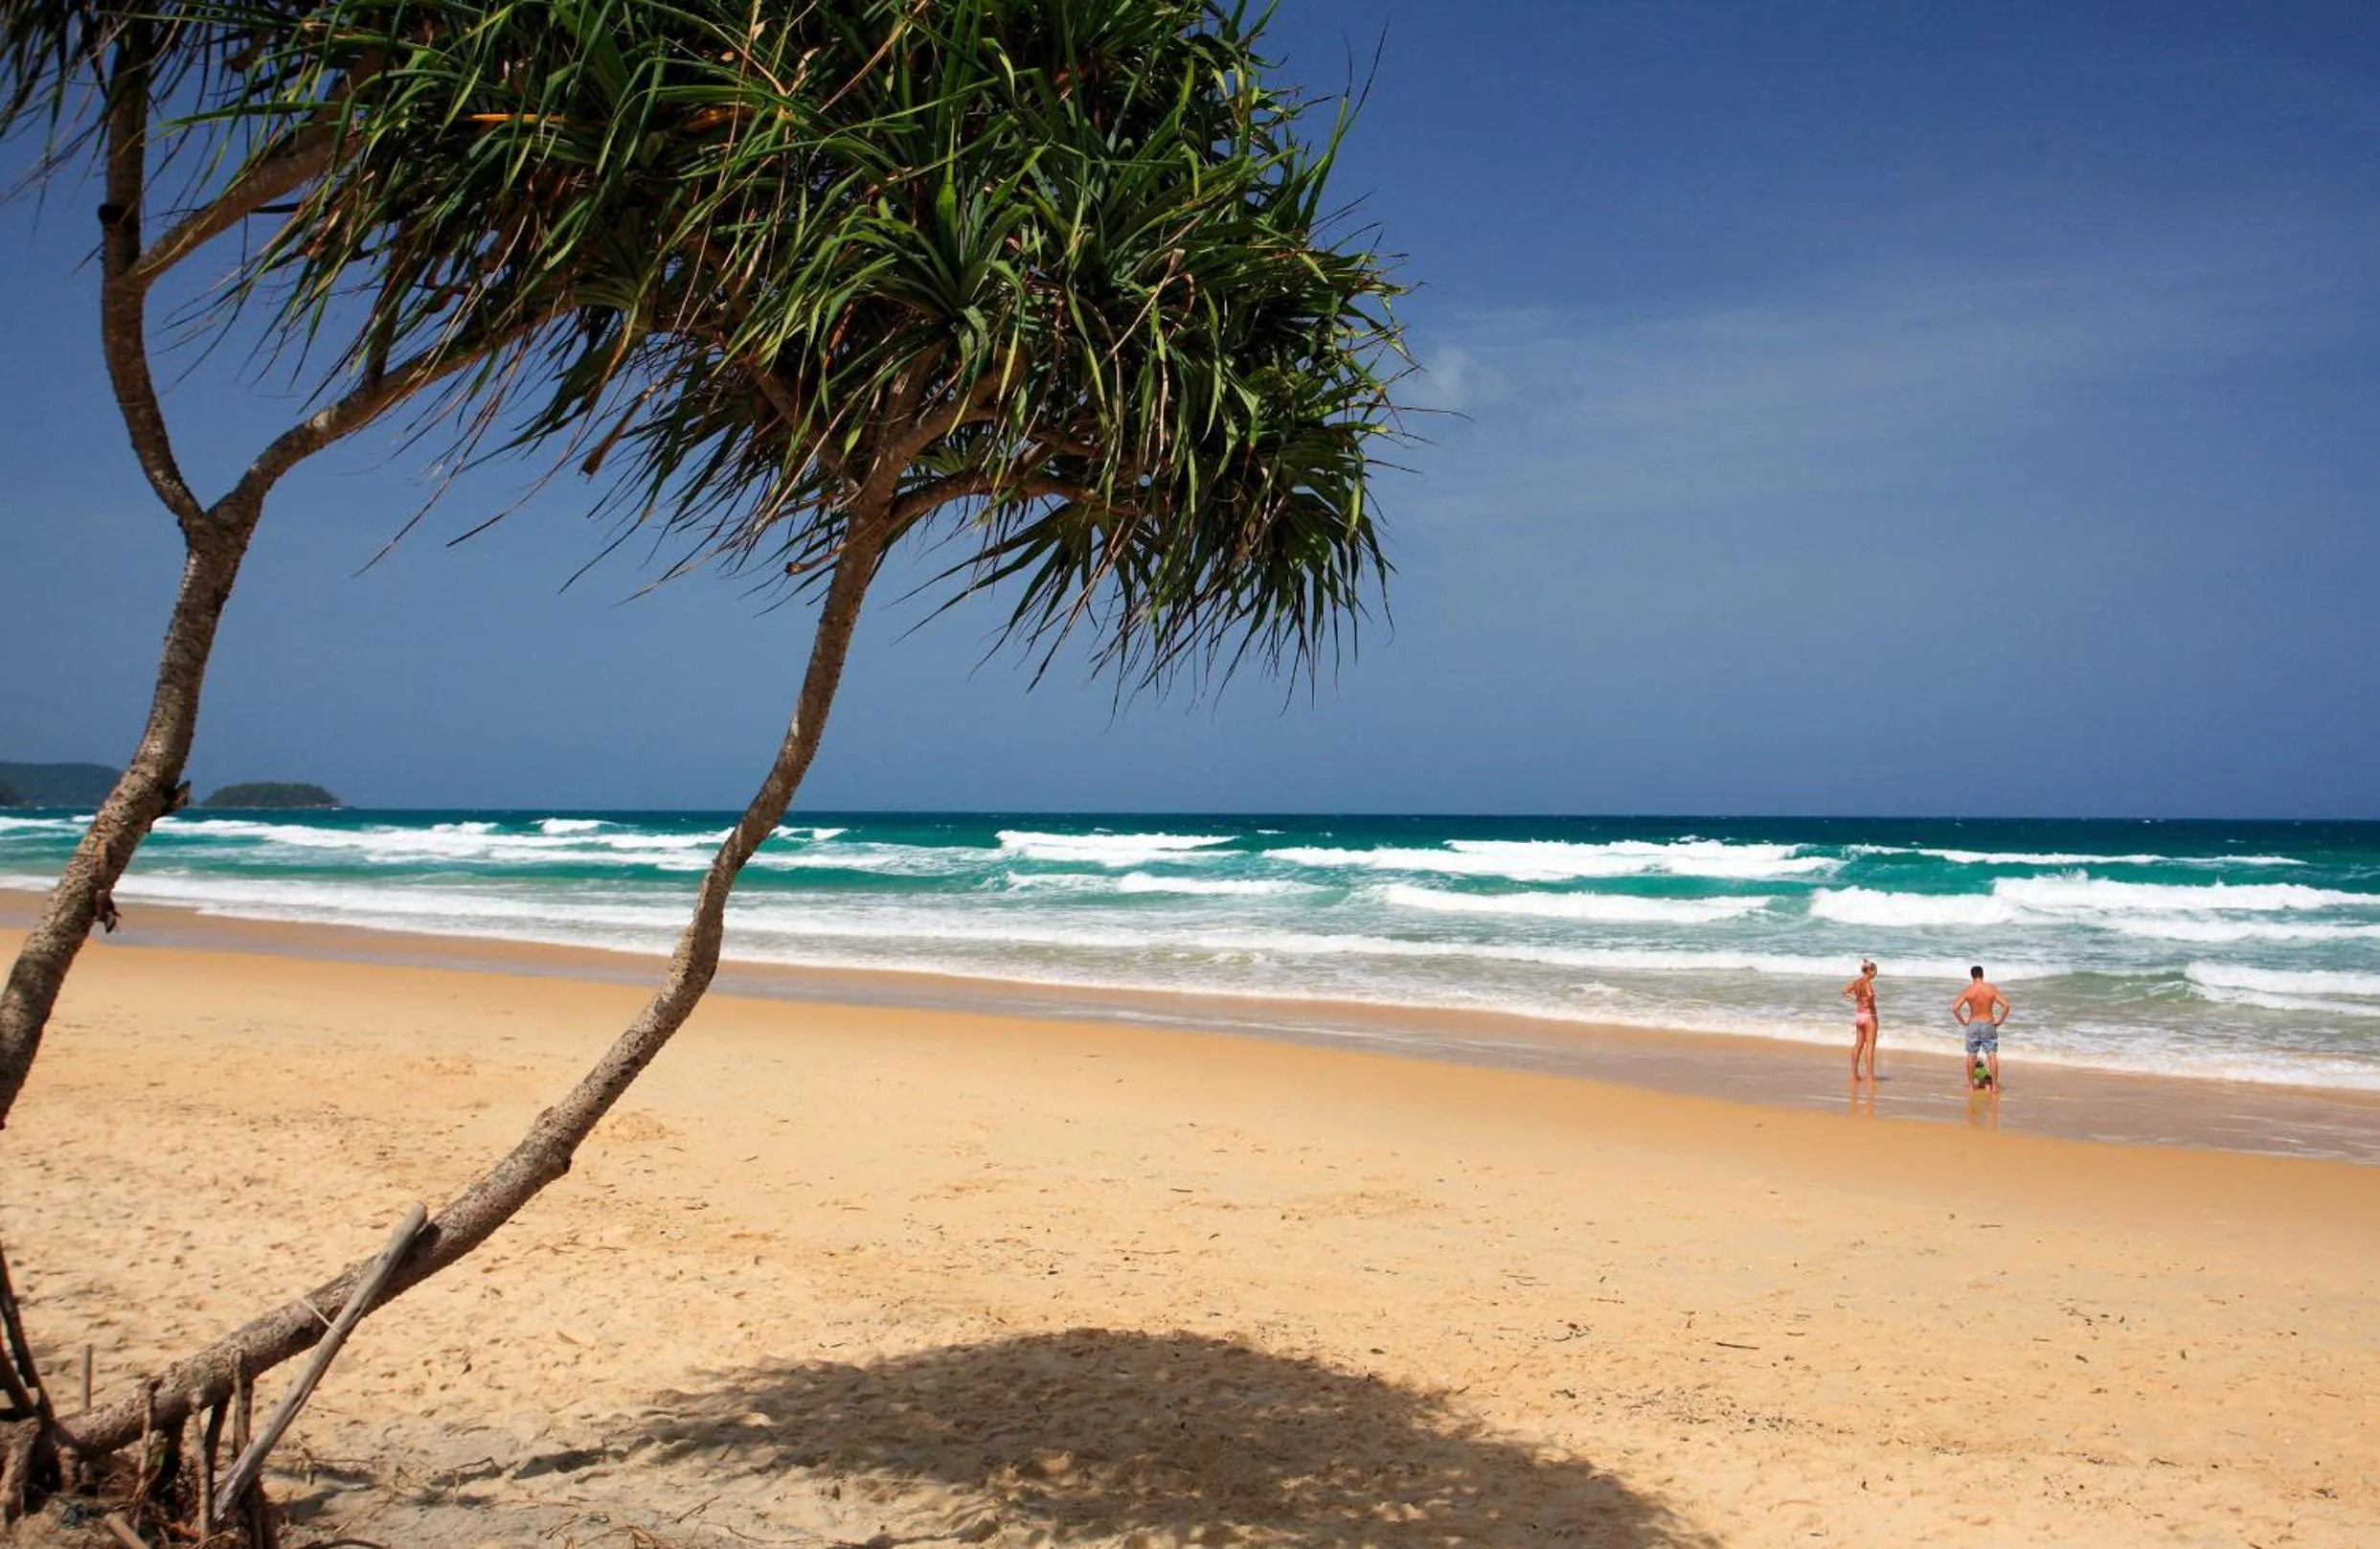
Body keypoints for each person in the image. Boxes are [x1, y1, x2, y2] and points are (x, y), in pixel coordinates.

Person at [1952, 965, 2009, 1091]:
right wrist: (1999, 1021)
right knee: (1991, 1055)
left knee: (1971, 1055)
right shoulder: (1991, 989)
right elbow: (2006, 1005)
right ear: (1982, 975)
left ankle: (1972, 1085)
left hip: (1973, 1024)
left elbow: (1955, 1008)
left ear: (1972, 976)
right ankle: (1994, 1086)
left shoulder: (1968, 990)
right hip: (1988, 1023)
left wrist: (1963, 1022)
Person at [1840, 959, 1880, 1082]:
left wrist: (1856, 998)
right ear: (1870, 971)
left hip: (1859, 1015)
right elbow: (1869, 995)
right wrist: (1871, 997)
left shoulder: (1857, 982)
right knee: (1870, 1047)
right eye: (1875, 970)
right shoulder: (1867, 983)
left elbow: (1844, 991)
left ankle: (1854, 1074)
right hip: (1869, 1016)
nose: (1876, 973)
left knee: (1858, 1044)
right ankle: (1870, 1076)